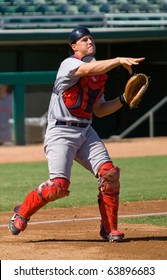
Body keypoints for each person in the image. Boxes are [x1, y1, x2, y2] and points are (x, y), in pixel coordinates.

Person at [9, 27, 145, 242]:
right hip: (60, 131)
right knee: (58, 187)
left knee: (110, 175)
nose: (89, 41)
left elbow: (99, 110)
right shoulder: (70, 63)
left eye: (91, 38)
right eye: (83, 39)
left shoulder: (99, 74)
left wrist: (123, 100)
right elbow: (86, 71)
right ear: (74, 46)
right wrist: (119, 59)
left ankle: (109, 229)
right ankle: (22, 211)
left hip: (85, 130)